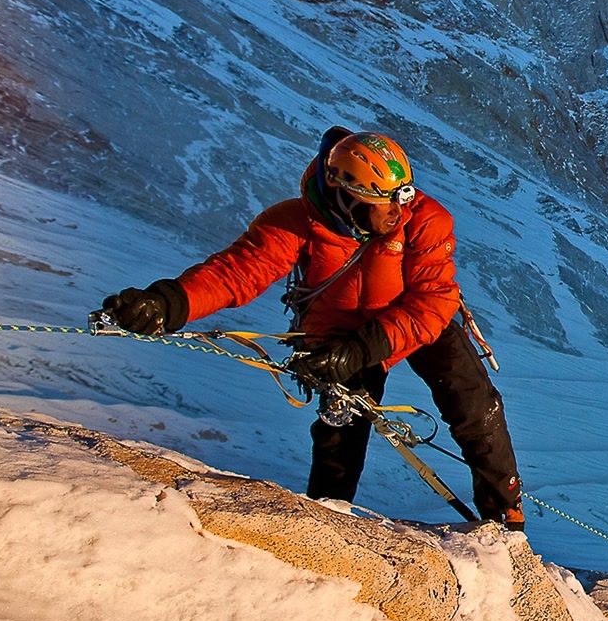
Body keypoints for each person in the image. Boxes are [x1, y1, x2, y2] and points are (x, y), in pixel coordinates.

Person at [100, 127, 524, 529]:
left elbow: (433, 300)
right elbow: (237, 273)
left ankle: (504, 513)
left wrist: (364, 346)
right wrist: (167, 303)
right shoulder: (297, 223)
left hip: (413, 321)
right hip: (338, 336)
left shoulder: (425, 220)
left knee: (474, 403)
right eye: (386, 202)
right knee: (339, 441)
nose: (399, 211)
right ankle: (327, 522)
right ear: (347, 196)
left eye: (403, 196)